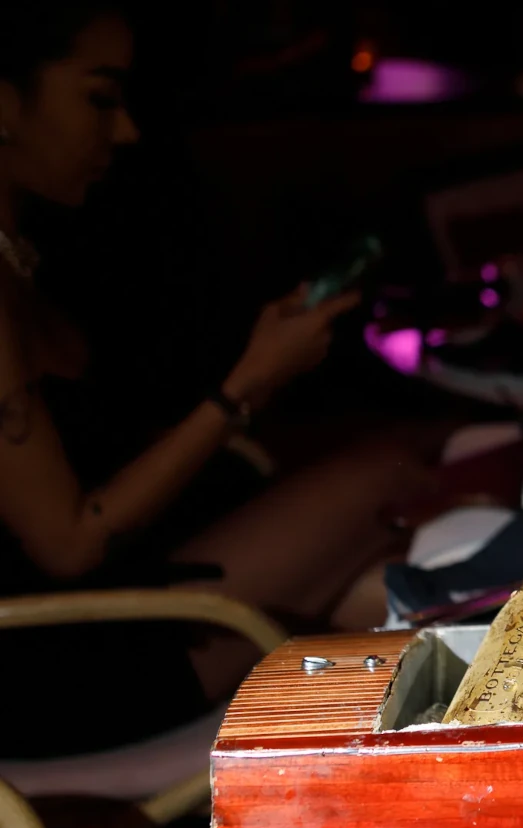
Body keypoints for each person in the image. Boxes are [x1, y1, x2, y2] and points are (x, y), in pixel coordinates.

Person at [0, 3, 442, 757]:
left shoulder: (26, 257)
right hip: (56, 664)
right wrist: (242, 387)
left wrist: (254, 388)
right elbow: (69, 542)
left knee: (387, 575)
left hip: (122, 595)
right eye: (100, 99)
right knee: (399, 468)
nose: (127, 131)